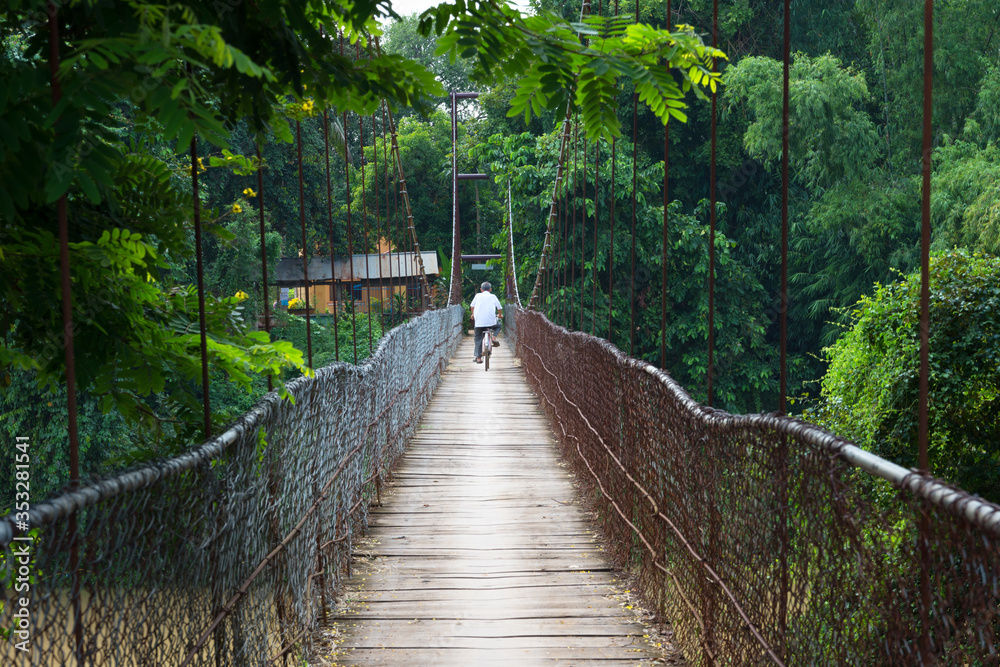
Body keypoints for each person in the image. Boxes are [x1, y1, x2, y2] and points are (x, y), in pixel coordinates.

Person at [470, 281, 502, 364]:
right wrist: (500, 315)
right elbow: (499, 307)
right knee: (499, 326)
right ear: (490, 289)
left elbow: (472, 306)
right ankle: (494, 337)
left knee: (478, 339)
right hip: (491, 323)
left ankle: (478, 358)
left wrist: (472, 314)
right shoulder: (493, 296)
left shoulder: (477, 296)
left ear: (481, 289)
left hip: (479, 323)